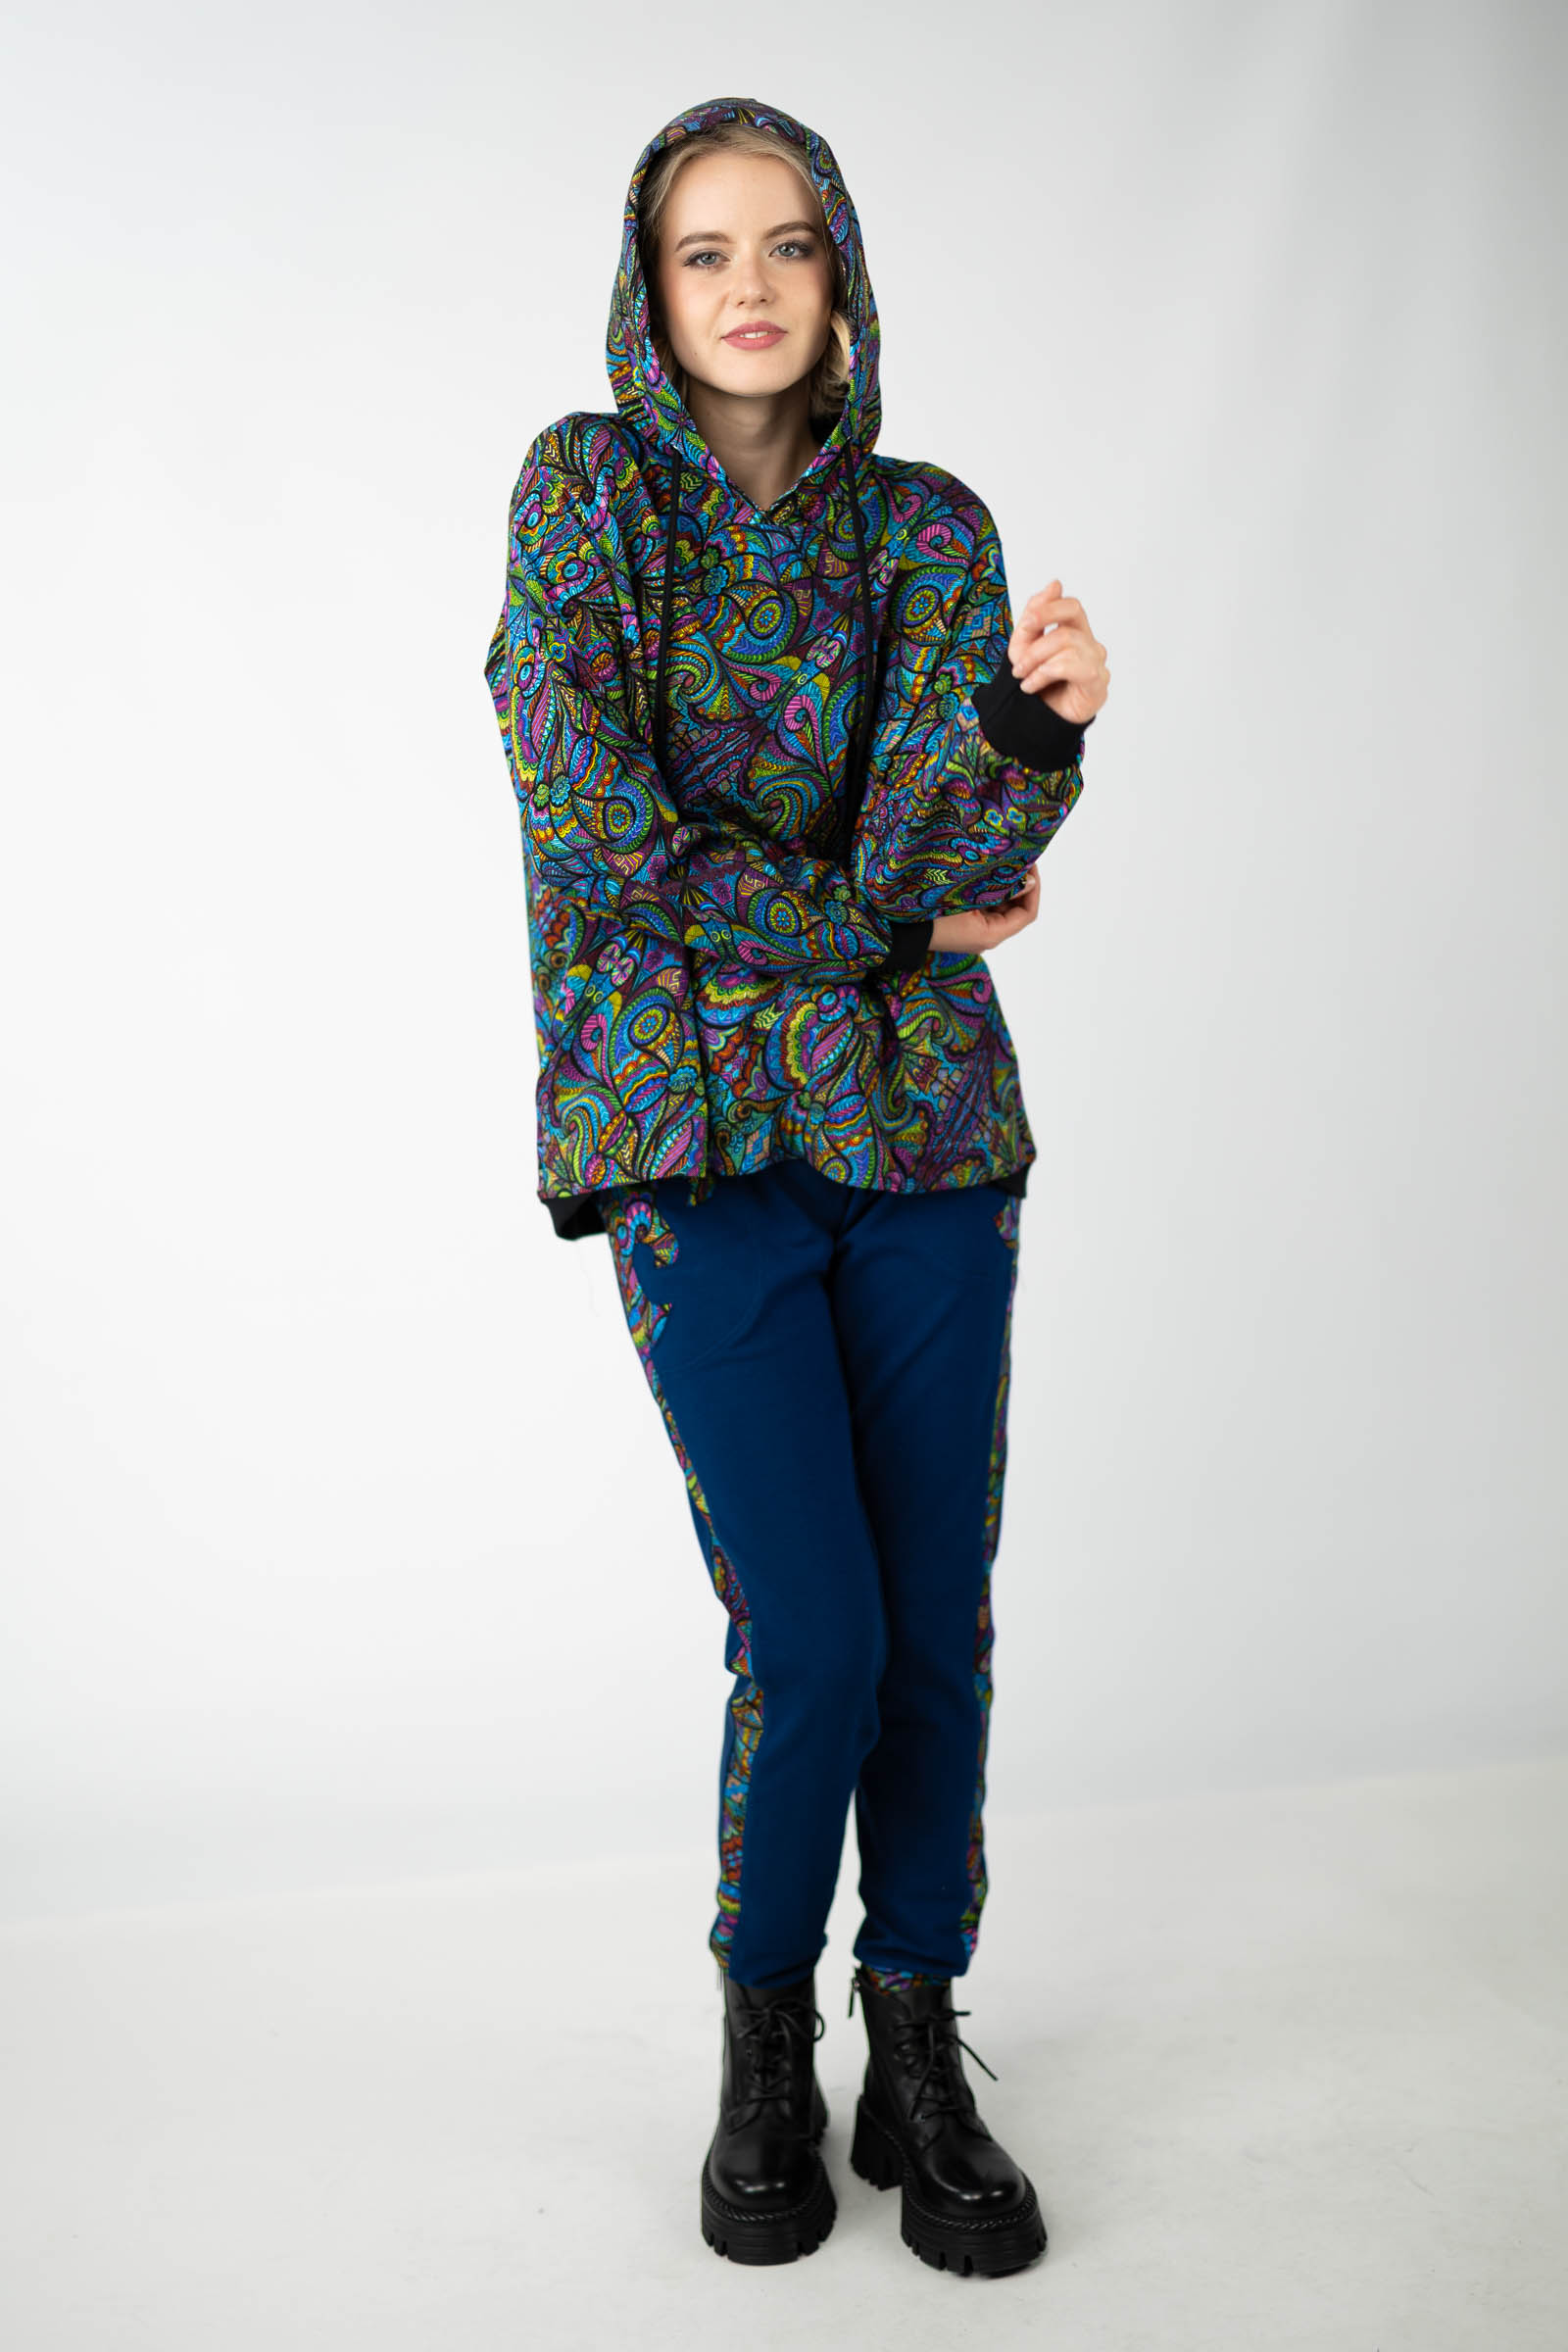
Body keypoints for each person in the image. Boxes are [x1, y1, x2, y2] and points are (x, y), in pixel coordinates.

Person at [483, 93, 1110, 2278]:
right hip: (694, 1146)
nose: (746, 287)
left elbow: (964, 866)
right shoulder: (582, 498)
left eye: (786, 245)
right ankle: (766, 2035)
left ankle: (912, 2037)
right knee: (812, 1630)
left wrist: (1034, 740)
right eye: (703, 251)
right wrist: (883, 924)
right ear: (647, 288)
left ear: (839, 275)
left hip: (925, 1142)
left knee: (931, 1626)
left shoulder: (930, 530)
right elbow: (599, 841)